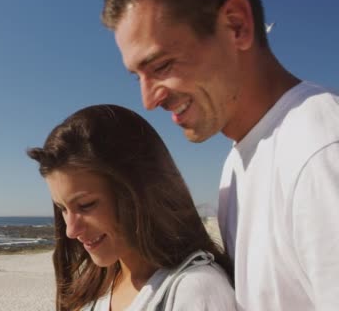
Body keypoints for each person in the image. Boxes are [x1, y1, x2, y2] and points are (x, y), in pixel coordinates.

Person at [102, 0, 339, 310]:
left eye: (162, 65)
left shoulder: (321, 149)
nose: (148, 100)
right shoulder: (237, 165)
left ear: (236, 26)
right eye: (137, 77)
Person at [27, 104, 236, 311]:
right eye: (62, 208)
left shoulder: (194, 290)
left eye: (86, 205)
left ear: (139, 193)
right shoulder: (93, 288)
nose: (71, 231)